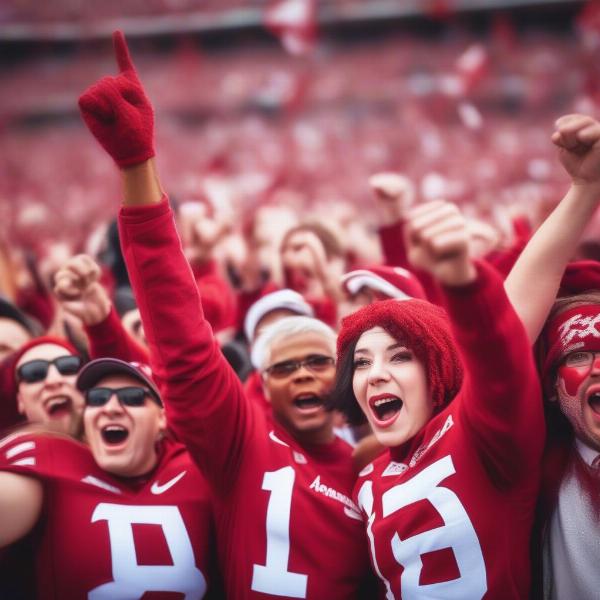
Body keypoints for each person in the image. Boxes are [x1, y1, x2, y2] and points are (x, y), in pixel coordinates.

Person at [78, 31, 372, 598]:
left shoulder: (377, 462)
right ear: (262, 383)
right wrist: (138, 167)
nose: (306, 375)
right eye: (284, 369)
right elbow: (181, 338)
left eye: (317, 360)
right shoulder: (242, 439)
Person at [331, 199, 544, 598]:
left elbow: (499, 351)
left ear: (439, 366)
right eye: (361, 362)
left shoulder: (481, 437)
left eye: (399, 356)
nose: (375, 373)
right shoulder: (364, 480)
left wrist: (463, 282)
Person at [0, 357, 217, 598]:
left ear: (162, 418)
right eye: (97, 398)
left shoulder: (199, 471)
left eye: (132, 397)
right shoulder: (51, 464)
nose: (110, 407)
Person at [502, 113, 600, 599]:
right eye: (581, 353)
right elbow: (503, 338)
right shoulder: (538, 460)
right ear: (547, 383)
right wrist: (583, 191)